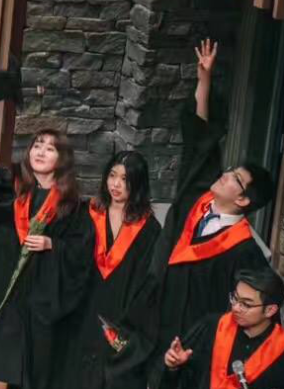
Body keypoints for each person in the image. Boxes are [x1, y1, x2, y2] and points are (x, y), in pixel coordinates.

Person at [148, 39, 274, 384]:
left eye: (234, 177)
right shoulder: (199, 200)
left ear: (244, 200)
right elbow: (200, 142)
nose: (223, 174)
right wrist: (204, 81)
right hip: (157, 314)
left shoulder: (245, 251)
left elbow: (248, 310)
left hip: (192, 342)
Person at [0, 130, 94, 389]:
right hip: (8, 297)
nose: (41, 152)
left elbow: (81, 253)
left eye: (50, 148)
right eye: (37, 145)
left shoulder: (72, 205)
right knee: (0, 367)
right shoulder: (16, 197)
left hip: (41, 300)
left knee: (32, 372)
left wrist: (53, 244)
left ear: (62, 159)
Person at [69, 151, 162, 389]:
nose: (116, 184)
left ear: (138, 185)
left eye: (126, 179)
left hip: (121, 314)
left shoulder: (149, 228)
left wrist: (130, 320)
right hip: (83, 309)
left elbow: (149, 281)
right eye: (112, 175)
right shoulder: (87, 213)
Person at [160, 268, 284, 388]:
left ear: (270, 310)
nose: (236, 308)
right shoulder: (213, 327)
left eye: (245, 304)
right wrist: (175, 367)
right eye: (235, 298)